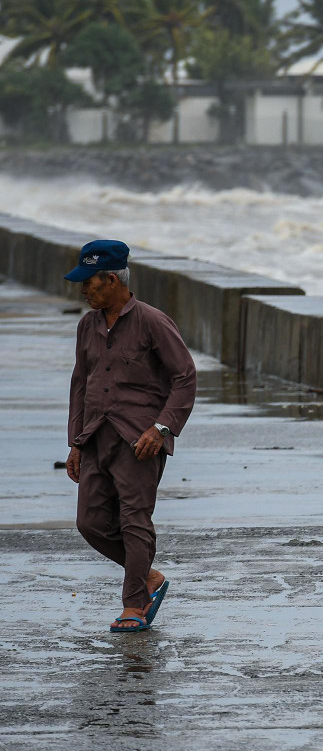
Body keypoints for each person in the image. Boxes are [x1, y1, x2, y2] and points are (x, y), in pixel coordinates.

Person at [63, 240, 196, 633]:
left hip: (140, 441)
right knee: (89, 522)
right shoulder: (87, 324)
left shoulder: (153, 321)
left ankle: (133, 605)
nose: (83, 290)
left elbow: (185, 377)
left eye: (89, 282)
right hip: (96, 435)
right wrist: (75, 441)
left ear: (112, 279)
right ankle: (148, 577)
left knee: (134, 521)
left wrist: (162, 427)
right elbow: (79, 384)